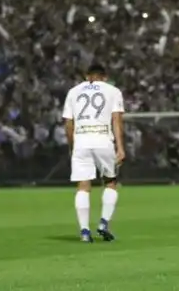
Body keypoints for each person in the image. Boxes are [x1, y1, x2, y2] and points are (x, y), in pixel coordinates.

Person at [63, 63, 126, 243]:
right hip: (102, 138)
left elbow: (68, 124)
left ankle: (84, 231)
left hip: (81, 139)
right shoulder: (113, 91)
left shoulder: (73, 92)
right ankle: (104, 223)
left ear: (86, 75)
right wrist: (120, 147)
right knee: (110, 181)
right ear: (104, 76)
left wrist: (72, 146)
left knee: (83, 186)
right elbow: (117, 121)